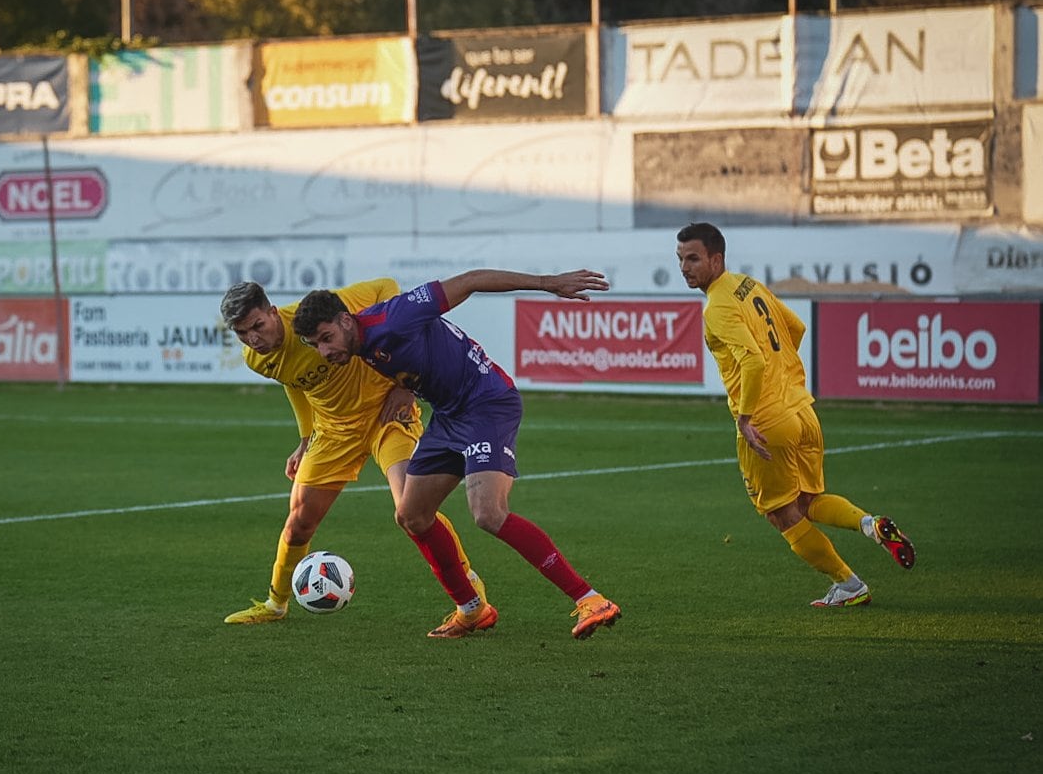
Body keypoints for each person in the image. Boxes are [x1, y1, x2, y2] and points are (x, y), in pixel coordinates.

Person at [291, 270, 622, 640]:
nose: (324, 350)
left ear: (345, 320)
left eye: (326, 338)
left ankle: (590, 599)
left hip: (486, 404)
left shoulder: (395, 316)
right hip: (448, 417)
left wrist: (548, 284)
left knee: (488, 514)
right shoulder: (357, 346)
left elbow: (471, 280)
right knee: (412, 515)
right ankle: (472, 609)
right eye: (314, 344)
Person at [675, 221, 915, 607]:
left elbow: (751, 362)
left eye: (693, 258)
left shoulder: (717, 306)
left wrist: (745, 417)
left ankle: (850, 585)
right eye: (681, 259)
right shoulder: (748, 284)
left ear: (716, 259)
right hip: (802, 410)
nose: (685, 267)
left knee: (782, 515)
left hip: (768, 422)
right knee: (807, 501)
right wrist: (782, 373)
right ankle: (870, 525)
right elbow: (796, 327)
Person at [219, 279, 486, 624]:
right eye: (243, 333)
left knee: (411, 508)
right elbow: (296, 384)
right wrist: (305, 438)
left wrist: (405, 385)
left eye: (258, 326)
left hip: (386, 416)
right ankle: (275, 604)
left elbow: (386, 288)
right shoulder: (257, 358)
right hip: (333, 431)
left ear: (273, 312)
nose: (253, 338)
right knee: (298, 523)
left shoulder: (309, 318)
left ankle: (469, 588)